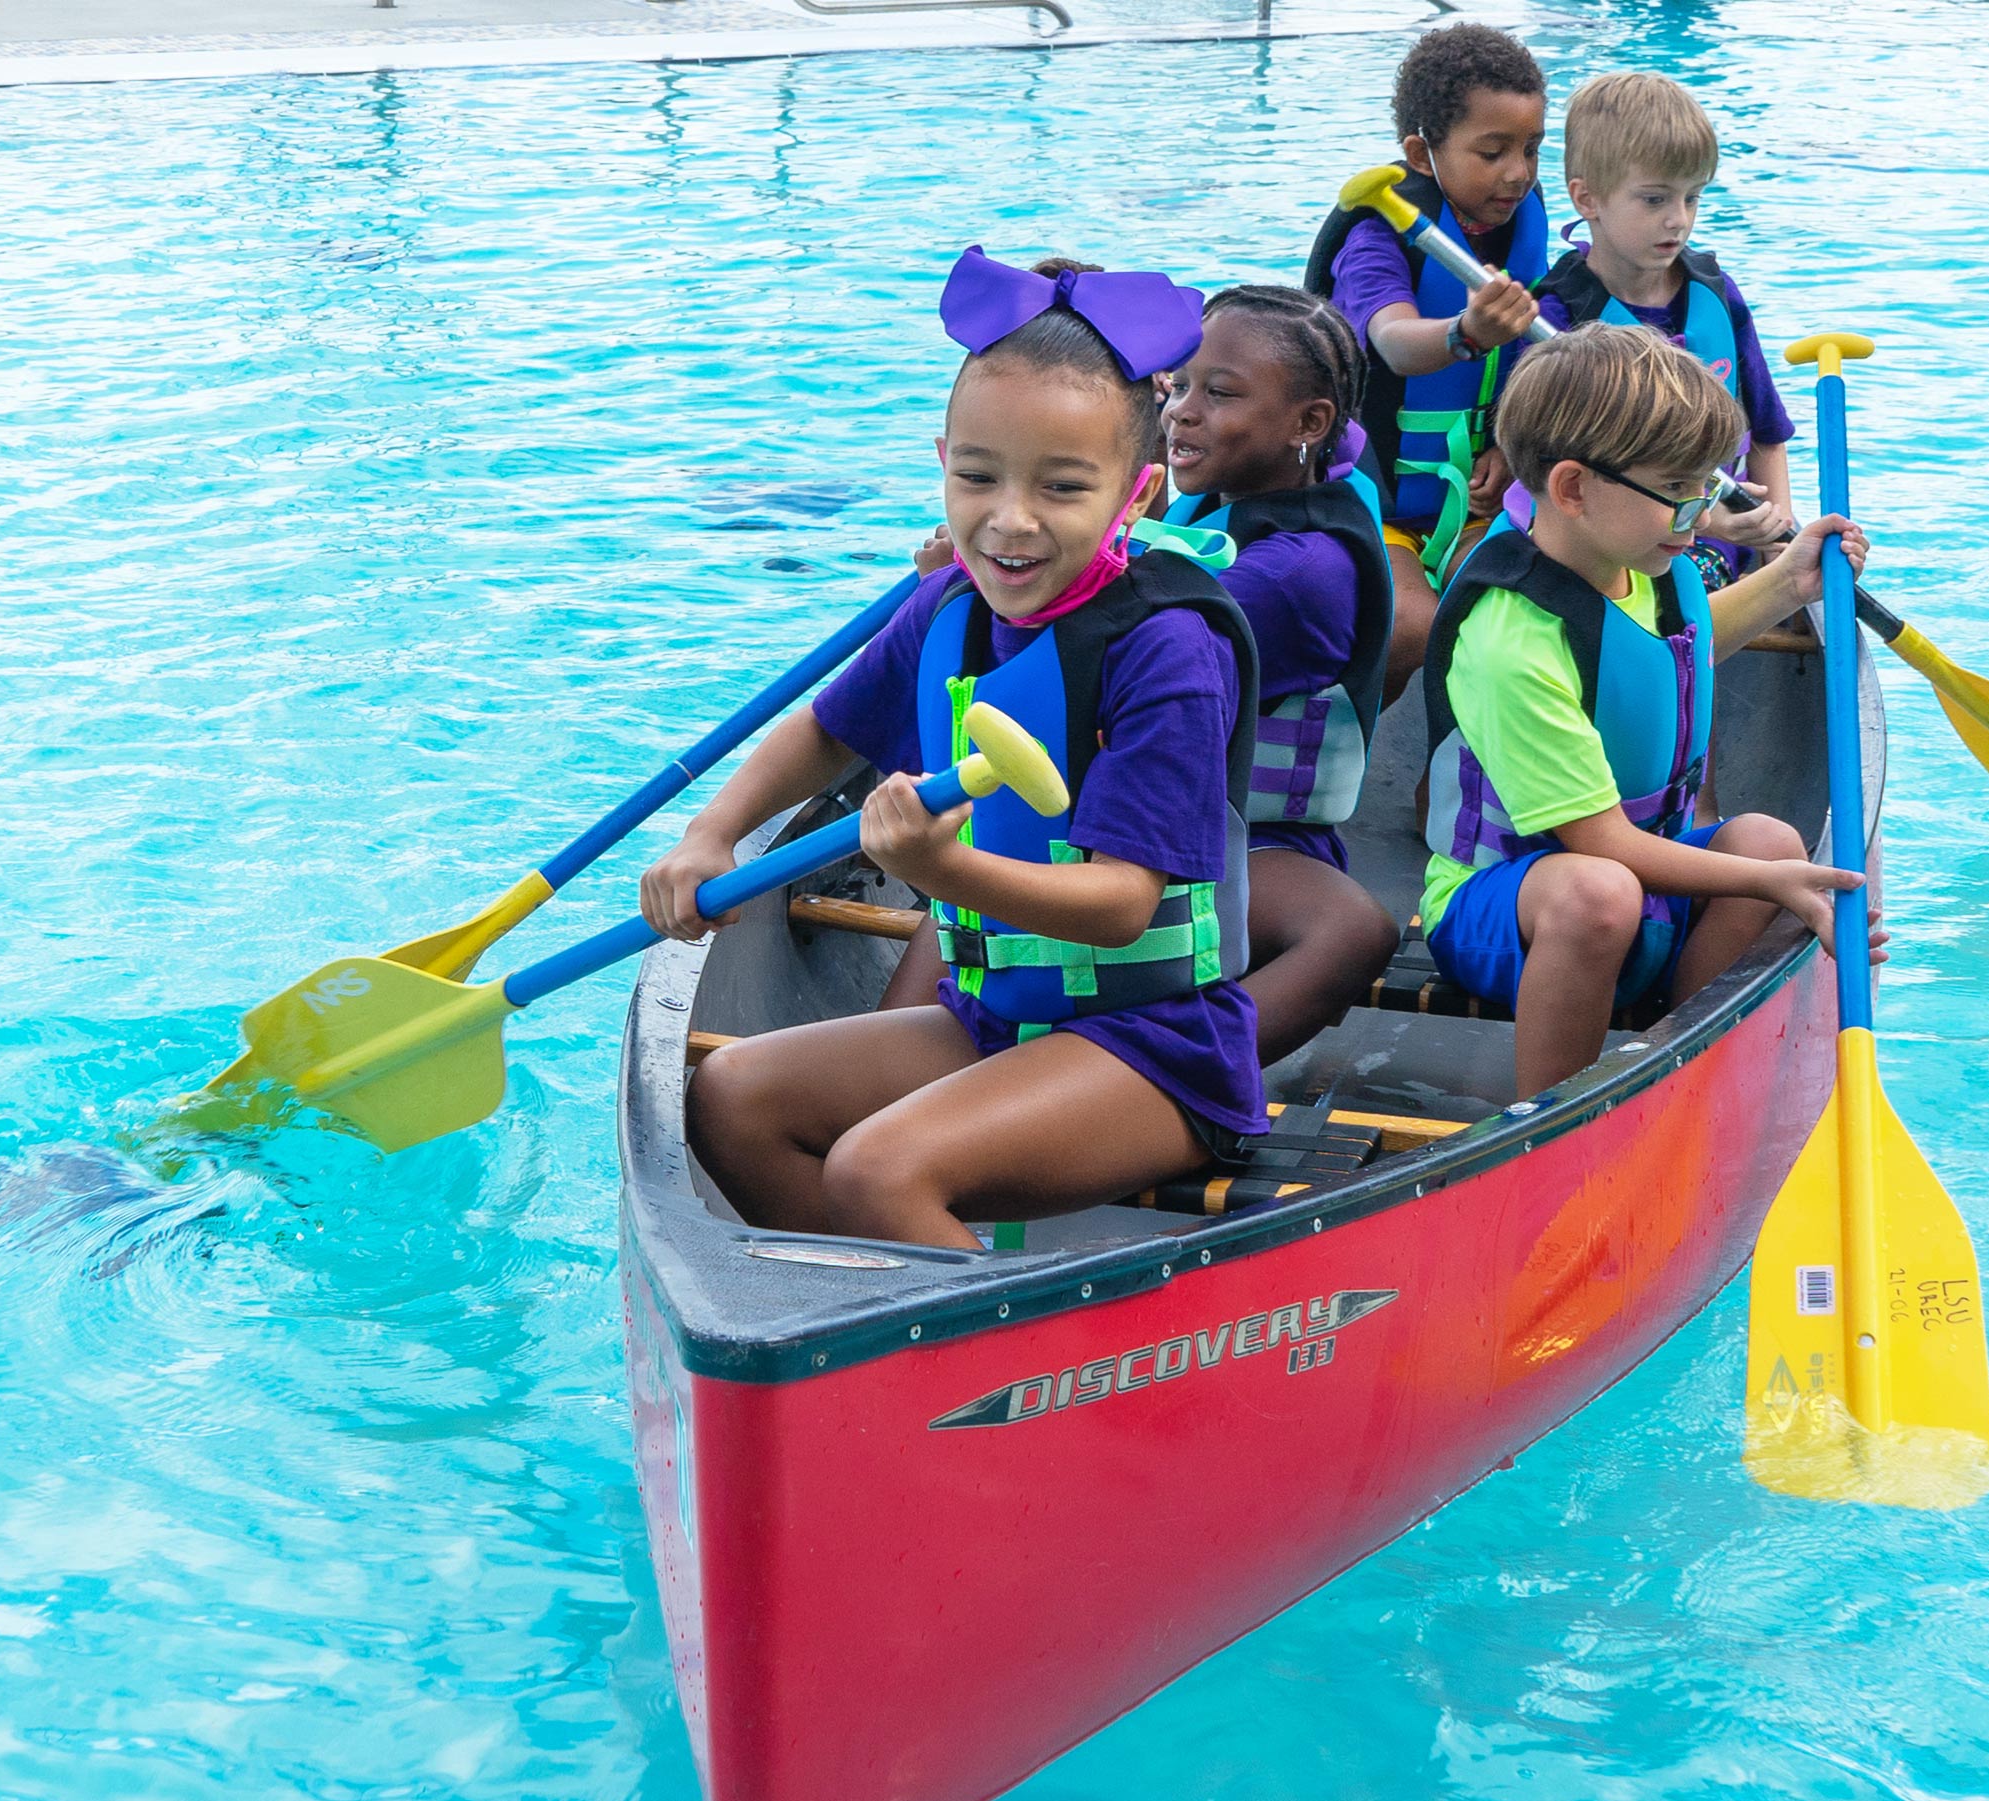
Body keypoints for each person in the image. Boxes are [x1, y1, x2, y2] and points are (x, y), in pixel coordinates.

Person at [640, 249, 1263, 1249]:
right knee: (730, 1096)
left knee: (876, 1165)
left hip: (1154, 1051)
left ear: (1138, 494)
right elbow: (823, 728)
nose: (1008, 520)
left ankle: (1001, 1384)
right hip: (992, 1017)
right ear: (942, 462)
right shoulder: (948, 608)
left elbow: (1123, 905)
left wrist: (944, 871)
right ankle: (873, 1320)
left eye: (1062, 487)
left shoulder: (1167, 648)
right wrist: (710, 834)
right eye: (978, 476)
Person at [1417, 322, 1878, 1100]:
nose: (1702, 514)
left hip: (1642, 886)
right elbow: (1598, 845)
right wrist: (1778, 890)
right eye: (1679, 488)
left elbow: (1681, 654)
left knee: (1767, 839)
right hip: (1503, 911)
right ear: (1572, 489)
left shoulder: (1639, 561)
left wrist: (1789, 582)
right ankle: (1554, 1115)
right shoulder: (1512, 640)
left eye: (1709, 485)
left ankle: (1671, 1050)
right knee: (1599, 892)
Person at [1158, 284, 1402, 1062]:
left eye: (1219, 394)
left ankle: (1188, 1070)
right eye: (1179, 384)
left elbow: (1128, 648)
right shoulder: (1220, 503)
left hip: (1257, 844)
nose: (1180, 413)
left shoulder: (1297, 574)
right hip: (1166, 814)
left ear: (1310, 424)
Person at [1303, 22, 1552, 696]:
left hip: (1474, 497)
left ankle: (1442, 783)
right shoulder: (1378, 235)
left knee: (1504, 613)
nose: (1518, 173)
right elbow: (1393, 340)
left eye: (1532, 149)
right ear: (1421, 151)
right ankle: (1343, 744)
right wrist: (1465, 333)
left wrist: (1509, 443)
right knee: (1412, 626)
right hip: (1372, 495)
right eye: (1493, 151)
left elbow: (1527, 362)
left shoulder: (1522, 225)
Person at [1532, 70, 1797, 580]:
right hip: (1616, 553)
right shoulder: (1559, 319)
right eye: (1655, 199)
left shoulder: (1716, 295)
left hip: (1723, 544)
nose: (1678, 219)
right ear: (1587, 200)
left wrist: (1777, 546)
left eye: (1692, 197)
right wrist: (1709, 522)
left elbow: (1766, 435)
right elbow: (1557, 485)